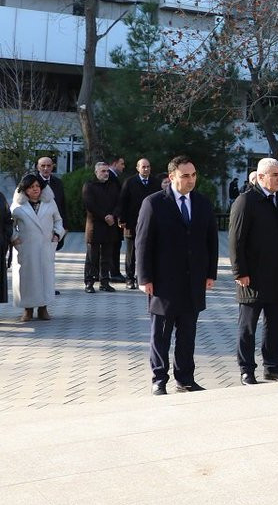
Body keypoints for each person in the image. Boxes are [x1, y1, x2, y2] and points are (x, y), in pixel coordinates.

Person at [134, 156, 219, 395]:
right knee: (161, 334)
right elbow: (143, 242)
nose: (191, 180)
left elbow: (211, 240)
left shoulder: (202, 202)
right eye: (185, 176)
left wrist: (210, 273)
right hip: (163, 282)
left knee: (187, 333)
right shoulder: (154, 203)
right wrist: (144, 278)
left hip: (193, 281)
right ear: (172, 177)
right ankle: (159, 379)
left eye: (193, 175)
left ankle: (185, 378)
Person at [228, 157, 278, 384]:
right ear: (260, 176)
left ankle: (273, 367)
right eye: (275, 175)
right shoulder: (246, 201)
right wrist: (240, 272)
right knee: (248, 327)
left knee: (275, 325)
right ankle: (246, 369)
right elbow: (236, 240)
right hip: (253, 277)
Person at [10, 174, 63, 321]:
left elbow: (58, 220)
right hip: (26, 247)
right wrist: (15, 238)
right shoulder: (18, 206)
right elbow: (10, 225)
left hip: (45, 246)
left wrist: (57, 235)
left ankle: (43, 308)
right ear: (25, 189)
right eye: (31, 187)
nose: (35, 189)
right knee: (27, 278)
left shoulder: (50, 203)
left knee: (45, 277)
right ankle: (27, 309)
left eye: (37, 186)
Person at [83, 161, 124, 292]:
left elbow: (119, 203)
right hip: (95, 226)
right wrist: (105, 216)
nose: (106, 174)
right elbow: (90, 204)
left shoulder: (113, 185)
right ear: (96, 172)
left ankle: (104, 282)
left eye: (107, 171)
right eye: (103, 171)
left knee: (107, 257)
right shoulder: (89, 185)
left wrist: (113, 215)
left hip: (110, 226)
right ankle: (89, 282)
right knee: (92, 257)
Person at [118, 158, 155, 289]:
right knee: (131, 253)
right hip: (132, 223)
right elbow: (123, 201)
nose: (146, 169)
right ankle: (130, 278)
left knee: (147, 251)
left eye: (148, 166)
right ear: (137, 168)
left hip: (150, 223)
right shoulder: (130, 182)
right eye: (143, 167)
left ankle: (144, 277)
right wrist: (121, 219)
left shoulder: (155, 182)